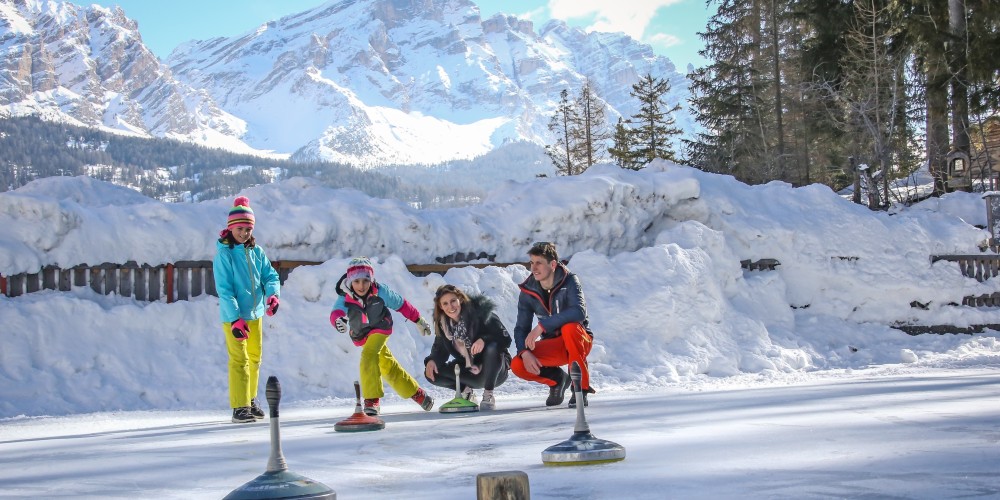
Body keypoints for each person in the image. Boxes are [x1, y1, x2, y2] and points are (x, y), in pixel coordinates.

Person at [330, 257, 435, 416]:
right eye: (357, 281)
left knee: (369, 355)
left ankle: (372, 400)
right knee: (386, 365)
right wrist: (338, 321)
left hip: (381, 328)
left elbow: (401, 304)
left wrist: (418, 320)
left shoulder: (380, 291)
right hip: (362, 335)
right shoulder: (345, 296)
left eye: (365, 280)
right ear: (350, 280)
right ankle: (417, 394)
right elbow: (336, 312)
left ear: (371, 279)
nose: (361, 285)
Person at [213, 196, 281, 424]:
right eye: (240, 228)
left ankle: (250, 400)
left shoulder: (256, 252)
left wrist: (272, 295)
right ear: (231, 228)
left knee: (254, 358)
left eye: (248, 229)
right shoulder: (224, 255)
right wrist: (234, 319)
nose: (244, 233)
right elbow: (225, 290)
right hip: (235, 318)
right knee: (239, 360)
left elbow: (270, 275)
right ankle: (239, 407)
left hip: (255, 314)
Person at [510, 242, 595, 408]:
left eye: (539, 262)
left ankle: (580, 389)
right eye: (532, 263)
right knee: (518, 364)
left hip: (579, 341)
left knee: (569, 327)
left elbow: (578, 312)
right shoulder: (528, 290)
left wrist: (542, 326)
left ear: (553, 264)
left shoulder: (570, 280)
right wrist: (524, 352)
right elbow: (521, 328)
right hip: (556, 346)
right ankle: (558, 380)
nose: (534, 268)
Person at [423, 285, 512, 411]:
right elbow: (440, 349)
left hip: (495, 369)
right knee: (432, 372)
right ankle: (466, 392)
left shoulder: (481, 313)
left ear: (460, 299)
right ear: (441, 307)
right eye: (445, 303)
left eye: (453, 301)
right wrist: (432, 360)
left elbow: (506, 339)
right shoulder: (443, 325)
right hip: (470, 369)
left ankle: (488, 395)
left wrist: (484, 340)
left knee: (492, 347)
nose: (450, 307)